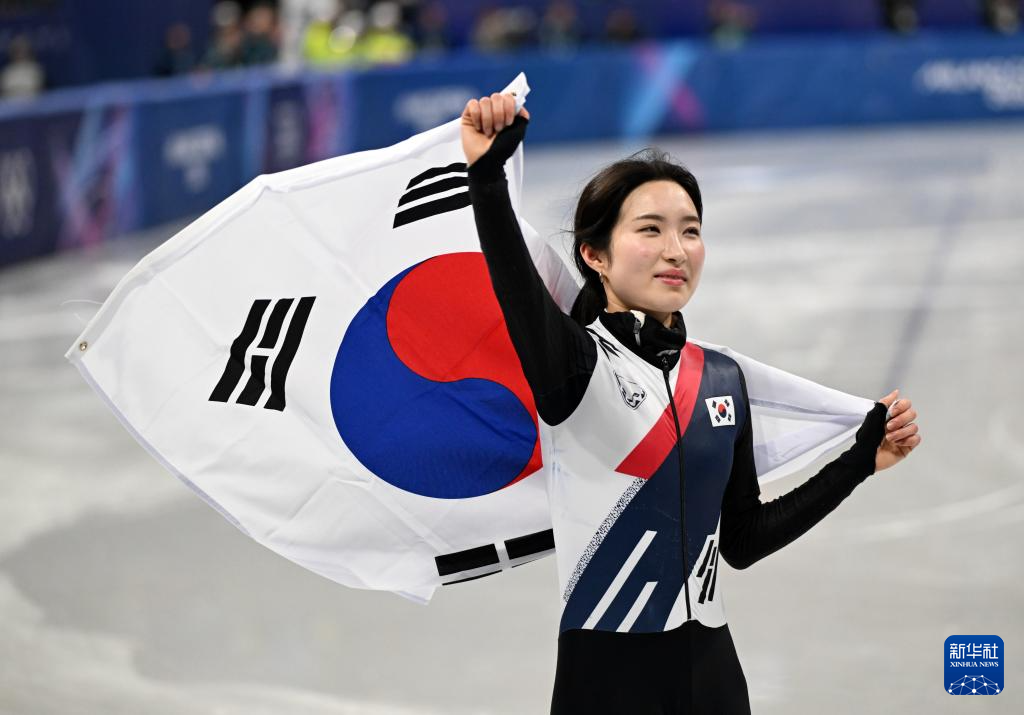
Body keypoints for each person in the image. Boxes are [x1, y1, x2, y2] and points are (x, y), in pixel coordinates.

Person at [460, 93, 921, 713]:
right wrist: (486, 177)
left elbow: (744, 539)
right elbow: (515, 284)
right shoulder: (575, 366)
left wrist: (859, 462)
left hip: (714, 680)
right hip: (605, 683)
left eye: (691, 230)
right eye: (650, 229)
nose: (676, 250)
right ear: (595, 255)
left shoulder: (721, 377)